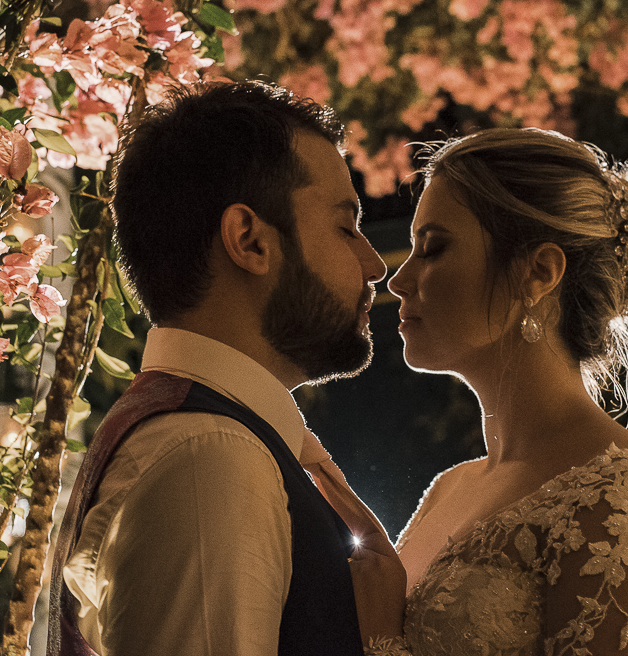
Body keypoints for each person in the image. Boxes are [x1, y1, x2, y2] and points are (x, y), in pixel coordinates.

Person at [47, 80, 393, 656]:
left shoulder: (197, 434)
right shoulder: (211, 454)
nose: (375, 262)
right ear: (249, 241)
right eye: (345, 227)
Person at [350, 127, 628, 655]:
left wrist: (379, 641)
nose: (398, 280)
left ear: (539, 272)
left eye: (433, 248)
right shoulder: (449, 489)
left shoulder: (621, 508)